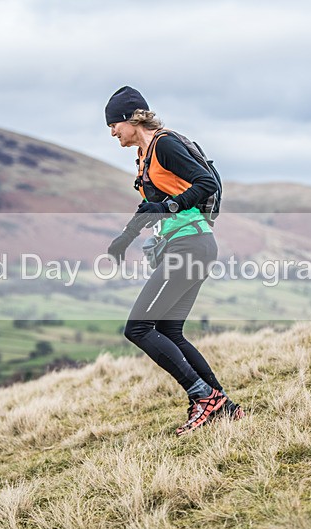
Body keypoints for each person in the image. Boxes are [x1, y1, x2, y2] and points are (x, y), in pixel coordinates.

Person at [104, 86, 244, 436]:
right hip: (189, 245)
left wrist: (169, 207)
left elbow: (205, 182)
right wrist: (124, 238)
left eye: (113, 125)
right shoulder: (145, 155)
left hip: (190, 246)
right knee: (168, 330)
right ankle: (222, 405)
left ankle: (205, 398)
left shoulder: (164, 144)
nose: (112, 133)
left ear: (130, 119)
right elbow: (150, 204)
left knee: (138, 328)